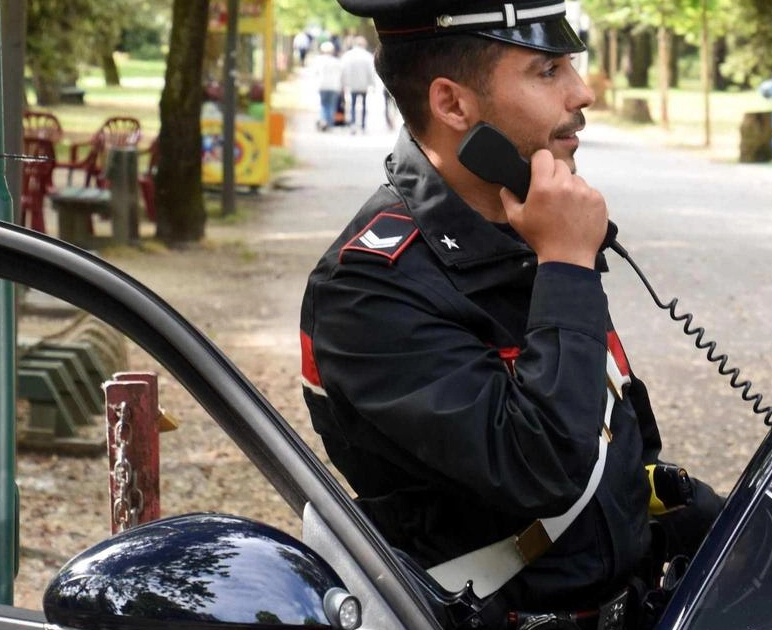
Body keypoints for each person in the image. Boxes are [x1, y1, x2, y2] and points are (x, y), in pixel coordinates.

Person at [300, 0, 722, 625]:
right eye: (548, 70)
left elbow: (611, 441)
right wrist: (567, 268)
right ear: (451, 105)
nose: (583, 93)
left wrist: (706, 518)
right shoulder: (367, 292)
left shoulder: (526, 229)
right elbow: (544, 467)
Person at [339, 36, 375, 134]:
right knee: (363, 105)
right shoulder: (367, 56)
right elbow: (371, 72)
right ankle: (363, 125)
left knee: (353, 105)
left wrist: (342, 84)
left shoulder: (348, 55)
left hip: (352, 84)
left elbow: (343, 69)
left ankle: (353, 124)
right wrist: (372, 84)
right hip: (364, 85)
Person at [314, 40, 342, 130]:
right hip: (334, 86)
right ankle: (329, 123)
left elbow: (315, 73)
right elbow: (341, 74)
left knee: (323, 104)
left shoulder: (318, 60)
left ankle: (323, 121)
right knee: (331, 105)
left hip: (322, 85)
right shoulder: (336, 61)